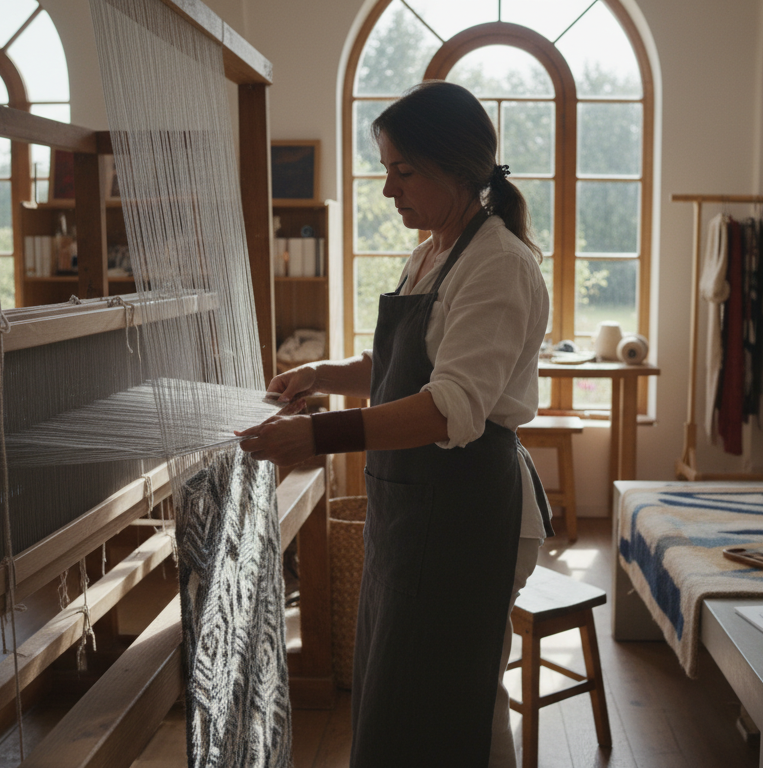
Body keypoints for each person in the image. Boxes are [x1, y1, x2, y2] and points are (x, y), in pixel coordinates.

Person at [237, 80, 553, 767]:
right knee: (410, 689)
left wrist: (319, 436)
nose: (389, 190)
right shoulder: (437, 249)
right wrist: (323, 376)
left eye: (403, 171)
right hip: (415, 507)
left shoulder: (498, 263)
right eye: (387, 169)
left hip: (466, 510)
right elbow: (399, 360)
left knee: (448, 695)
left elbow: (449, 405)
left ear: (458, 169)